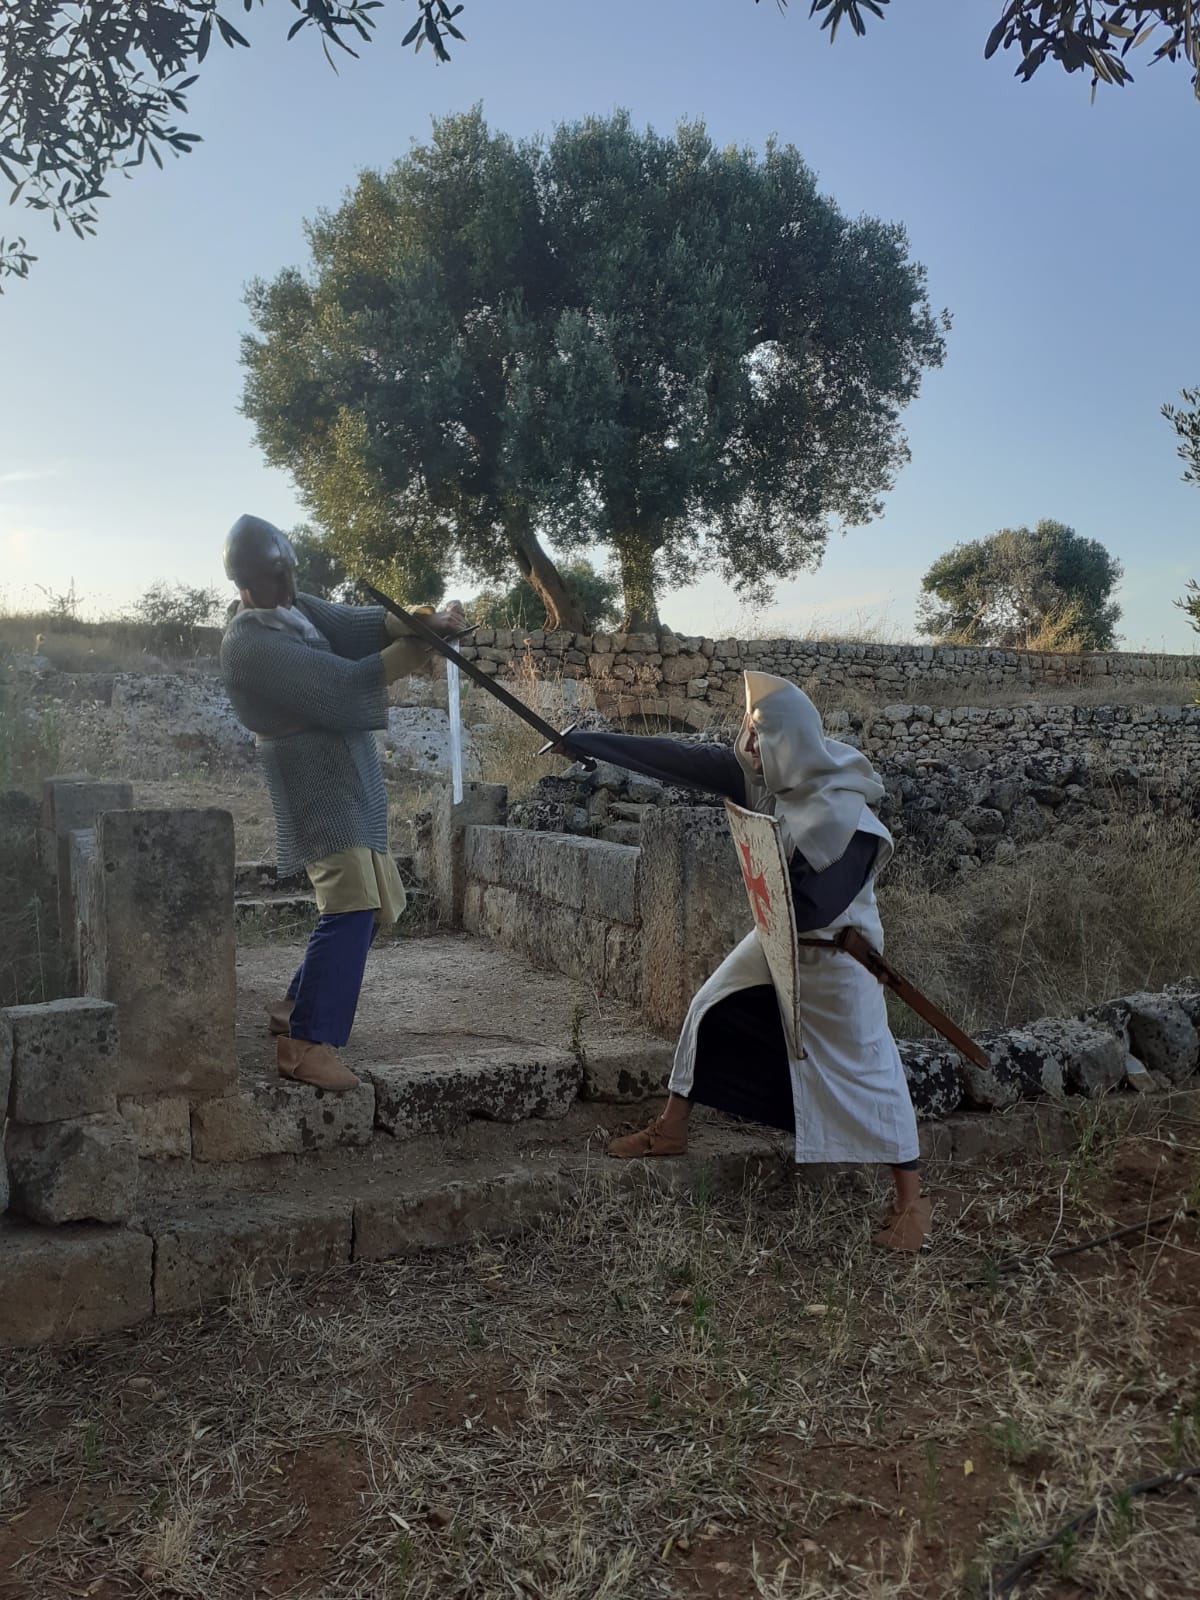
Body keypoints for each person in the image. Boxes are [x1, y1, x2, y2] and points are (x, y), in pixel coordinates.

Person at [550, 670, 929, 1252]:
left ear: (787, 742)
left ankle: (911, 1203)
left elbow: (810, 904)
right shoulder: (769, 782)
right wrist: (591, 743)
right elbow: (682, 759)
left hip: (837, 958)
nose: (746, 747)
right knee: (709, 1006)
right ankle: (671, 1129)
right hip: (780, 939)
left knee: (868, 1067)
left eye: (758, 734)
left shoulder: (846, 818)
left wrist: (771, 897)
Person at [220, 514, 465, 1093]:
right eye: (274, 580)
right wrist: (420, 646)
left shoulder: (294, 606)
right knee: (350, 902)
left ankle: (295, 1003)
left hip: (347, 769)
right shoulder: (248, 643)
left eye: (287, 577)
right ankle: (305, 1044)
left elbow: (355, 625)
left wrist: (419, 619)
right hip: (310, 778)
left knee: (374, 896)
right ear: (247, 581)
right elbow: (338, 683)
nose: (285, 588)